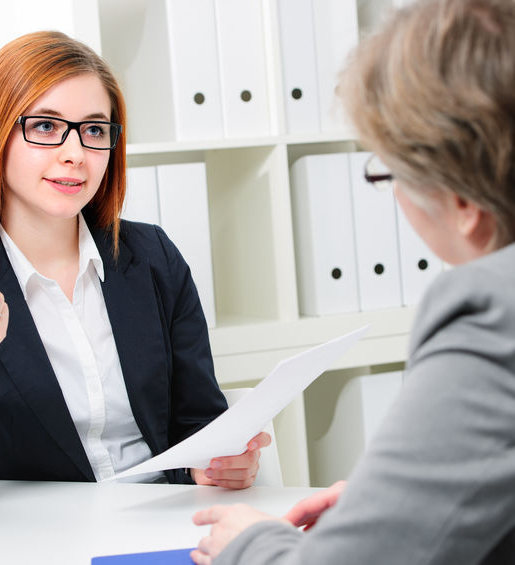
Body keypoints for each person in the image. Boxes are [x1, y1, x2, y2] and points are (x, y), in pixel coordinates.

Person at [191, 0, 515, 563]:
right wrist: (398, 504)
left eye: (387, 171)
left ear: (462, 202)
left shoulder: (491, 310)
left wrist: (253, 544)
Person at [0, 30, 269, 506]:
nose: (75, 153)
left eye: (95, 130)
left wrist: (217, 464)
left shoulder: (152, 257)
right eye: (45, 126)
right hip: (34, 543)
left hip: (165, 523)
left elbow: (197, 425)